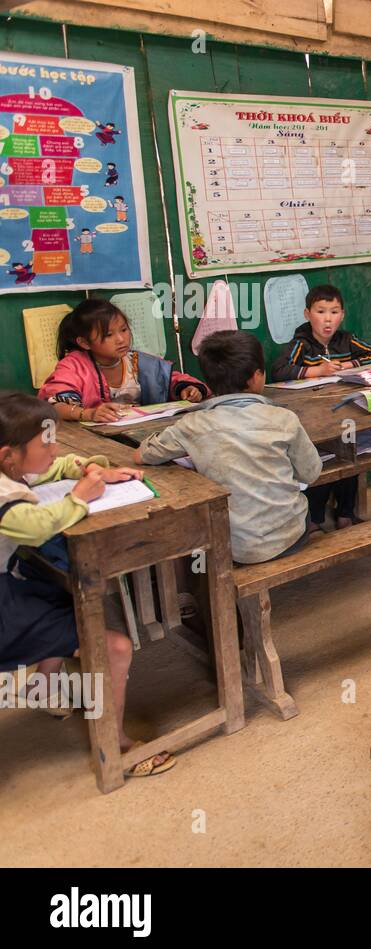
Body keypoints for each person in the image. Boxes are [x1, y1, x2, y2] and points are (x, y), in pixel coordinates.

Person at [0, 392, 174, 776]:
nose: (54, 447)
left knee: (58, 588)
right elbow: (36, 525)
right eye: (44, 442)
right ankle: (115, 745)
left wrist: (89, 469)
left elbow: (53, 466)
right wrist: (80, 497)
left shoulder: (8, 467)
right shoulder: (5, 497)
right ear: (8, 456)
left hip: (8, 584)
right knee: (113, 646)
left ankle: (43, 686)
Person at [135, 331, 322, 565]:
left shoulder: (192, 425)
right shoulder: (284, 419)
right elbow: (311, 473)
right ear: (256, 376)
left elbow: (142, 454)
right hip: (290, 536)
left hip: (233, 545)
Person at [271, 284, 371, 530]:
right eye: (321, 311)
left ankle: (345, 513)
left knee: (350, 459)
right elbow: (278, 370)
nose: (328, 319)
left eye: (334, 312)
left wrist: (351, 363)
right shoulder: (303, 343)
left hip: (347, 412)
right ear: (307, 314)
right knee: (323, 463)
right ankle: (316, 518)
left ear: (342, 315)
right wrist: (316, 371)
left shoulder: (346, 340)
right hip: (314, 418)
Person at [40, 299, 208, 424]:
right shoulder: (73, 366)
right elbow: (53, 405)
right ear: (84, 342)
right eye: (108, 335)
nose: (121, 339)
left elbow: (171, 379)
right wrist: (89, 414)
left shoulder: (137, 361)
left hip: (141, 433)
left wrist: (188, 389)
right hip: (94, 441)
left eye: (124, 329)